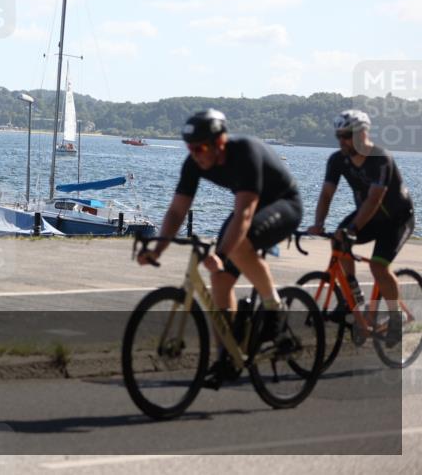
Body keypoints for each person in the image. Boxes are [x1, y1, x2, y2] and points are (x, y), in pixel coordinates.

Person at [138, 109, 303, 386]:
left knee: (235, 249)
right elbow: (177, 211)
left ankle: (275, 309)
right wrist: (158, 249)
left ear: (220, 142)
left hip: (283, 204)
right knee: (219, 279)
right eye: (190, 148)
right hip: (248, 206)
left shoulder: (245, 153)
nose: (195, 154)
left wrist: (221, 254)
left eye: (200, 147)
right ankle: (226, 358)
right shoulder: (193, 163)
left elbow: (245, 216)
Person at [308, 110, 415, 347]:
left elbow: (375, 199)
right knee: (338, 243)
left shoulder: (380, 158)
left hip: (396, 219)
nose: (342, 141)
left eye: (346, 135)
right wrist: (318, 224)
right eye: (339, 136)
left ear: (362, 133)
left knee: (378, 265)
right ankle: (353, 302)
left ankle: (395, 318)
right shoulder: (337, 160)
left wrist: (353, 229)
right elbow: (326, 194)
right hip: (369, 217)